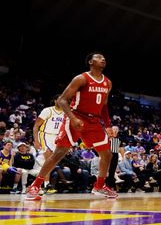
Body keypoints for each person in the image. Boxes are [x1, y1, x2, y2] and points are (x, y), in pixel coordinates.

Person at [26, 52, 117, 200]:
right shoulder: (81, 78)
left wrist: (107, 125)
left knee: (107, 154)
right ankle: (35, 186)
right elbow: (62, 100)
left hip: (94, 121)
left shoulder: (108, 82)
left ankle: (99, 186)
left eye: (104, 58)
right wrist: (72, 118)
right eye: (99, 57)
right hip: (76, 117)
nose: (103, 59)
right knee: (59, 152)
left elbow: (104, 106)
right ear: (90, 62)